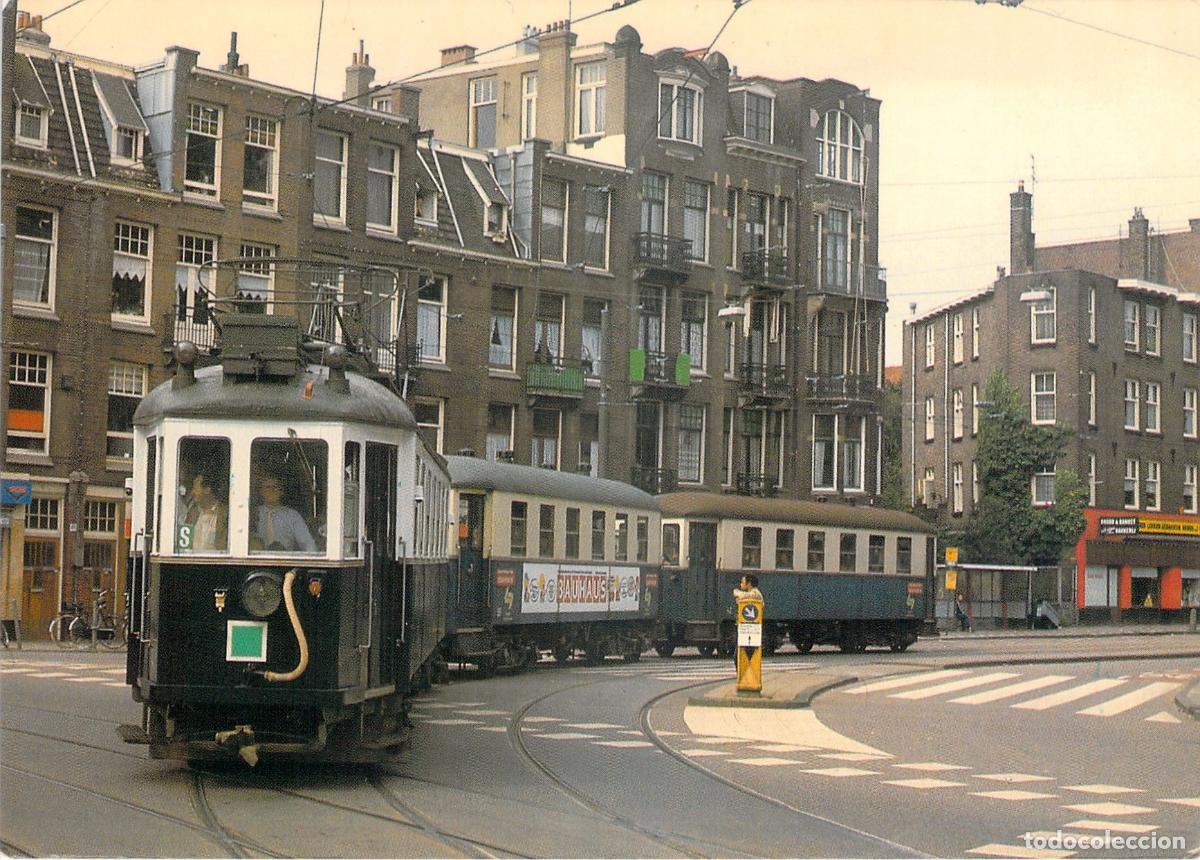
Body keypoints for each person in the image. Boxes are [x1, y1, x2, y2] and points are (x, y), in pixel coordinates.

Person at [254, 474, 317, 552]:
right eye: (267, 487)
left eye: (275, 487)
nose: (271, 490)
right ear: (261, 492)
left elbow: (308, 544)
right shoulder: (252, 514)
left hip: (284, 558)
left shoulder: (293, 516)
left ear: (281, 492)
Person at [180, 472, 227, 552]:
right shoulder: (192, 513)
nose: (192, 492)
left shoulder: (225, 514)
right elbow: (183, 544)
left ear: (207, 490)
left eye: (196, 488)